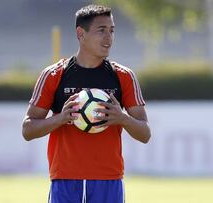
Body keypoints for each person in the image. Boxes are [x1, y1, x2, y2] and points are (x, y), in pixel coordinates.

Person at [21, 4, 151, 203]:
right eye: (102, 31)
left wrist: (122, 118)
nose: (109, 38)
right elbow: (28, 130)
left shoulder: (124, 76)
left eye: (112, 31)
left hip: (108, 179)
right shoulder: (54, 75)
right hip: (65, 179)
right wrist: (61, 118)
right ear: (81, 34)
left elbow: (145, 134)